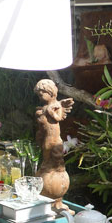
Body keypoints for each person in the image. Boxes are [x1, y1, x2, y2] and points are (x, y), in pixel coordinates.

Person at [34, 79, 74, 211]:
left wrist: (50, 112)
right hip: (46, 139)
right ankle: (46, 168)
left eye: (43, 93)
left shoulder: (56, 105)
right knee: (46, 156)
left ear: (51, 92)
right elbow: (41, 126)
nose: (41, 96)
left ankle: (57, 200)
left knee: (56, 159)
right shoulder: (43, 108)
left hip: (55, 139)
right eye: (39, 95)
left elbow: (57, 118)